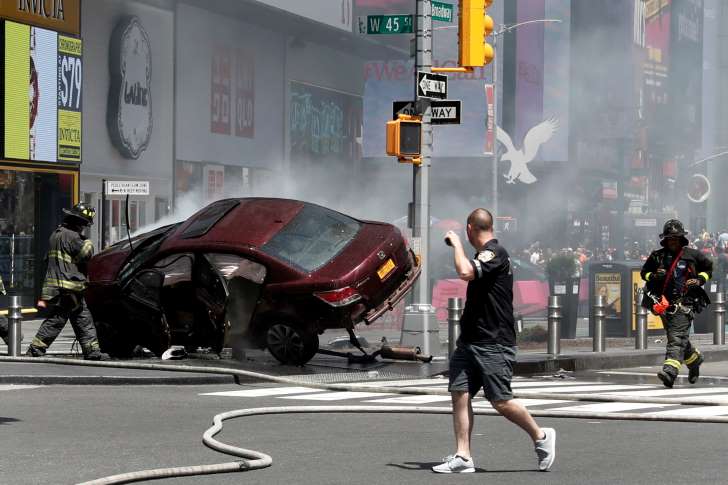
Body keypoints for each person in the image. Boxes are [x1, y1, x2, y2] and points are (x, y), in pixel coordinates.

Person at [434, 208, 555, 474]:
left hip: (493, 342)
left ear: (469, 229)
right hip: (471, 340)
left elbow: (465, 272)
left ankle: (541, 436)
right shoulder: (485, 253)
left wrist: (454, 245)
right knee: (460, 393)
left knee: (500, 400)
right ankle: (463, 456)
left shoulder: (494, 252)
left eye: (464, 233)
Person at [26, 202, 109, 360]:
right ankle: (35, 349)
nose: (84, 227)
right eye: (85, 224)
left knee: (79, 318)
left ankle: (92, 352)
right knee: (62, 319)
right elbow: (86, 254)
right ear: (80, 222)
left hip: (61, 285)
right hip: (68, 286)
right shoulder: (72, 236)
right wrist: (89, 242)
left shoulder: (56, 234)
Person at [641, 219, 712, 388]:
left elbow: (708, 268)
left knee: (675, 338)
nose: (673, 241)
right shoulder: (657, 256)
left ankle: (670, 372)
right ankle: (695, 360)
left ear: (681, 239)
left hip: (685, 304)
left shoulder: (692, 255)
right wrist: (654, 276)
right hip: (664, 306)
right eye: (670, 238)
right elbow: (644, 273)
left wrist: (700, 279)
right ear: (665, 239)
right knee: (679, 338)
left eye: (676, 238)